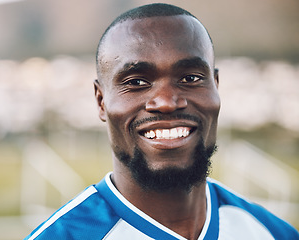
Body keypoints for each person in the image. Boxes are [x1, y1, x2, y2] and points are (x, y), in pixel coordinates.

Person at [24, 3, 299, 240]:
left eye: (190, 78)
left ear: (216, 87)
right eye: (137, 82)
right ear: (101, 101)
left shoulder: (273, 232)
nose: (167, 101)